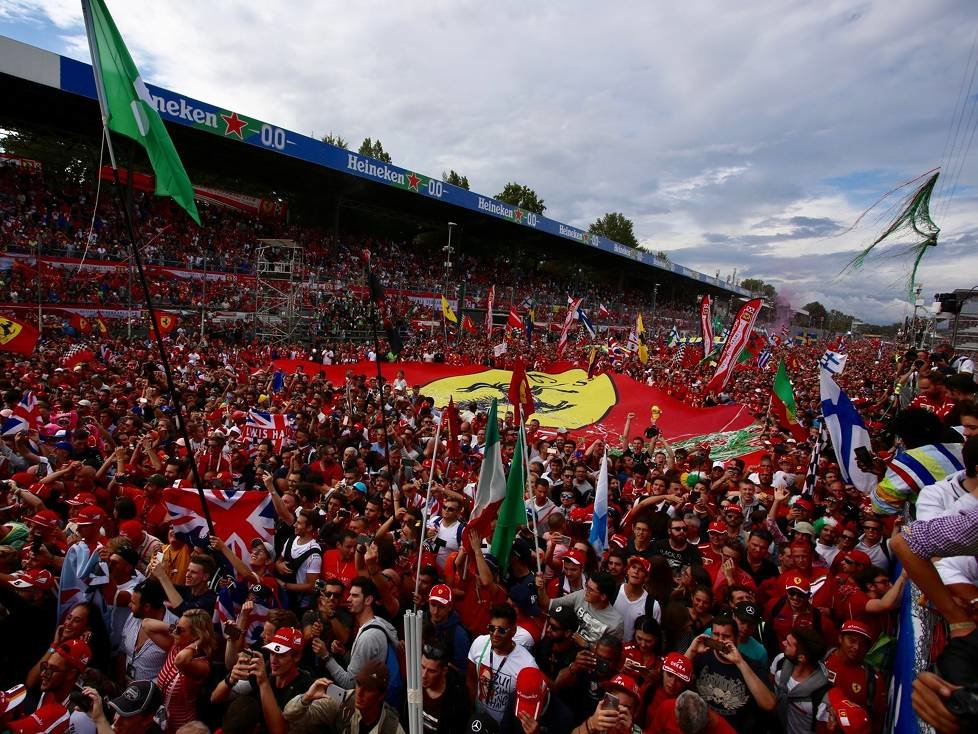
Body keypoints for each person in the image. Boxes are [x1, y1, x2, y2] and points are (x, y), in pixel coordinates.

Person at [213, 626, 314, 734]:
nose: (274, 660)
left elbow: (280, 731)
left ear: (297, 657)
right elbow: (215, 699)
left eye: (281, 655)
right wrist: (230, 679)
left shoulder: (306, 687)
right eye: (272, 653)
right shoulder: (266, 669)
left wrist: (263, 682)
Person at [685, 616, 776, 729]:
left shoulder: (751, 666)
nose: (720, 640)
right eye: (716, 634)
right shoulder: (702, 657)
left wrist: (740, 663)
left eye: (726, 636)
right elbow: (673, 682)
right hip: (704, 728)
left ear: (737, 639)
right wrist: (691, 652)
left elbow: (769, 704)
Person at [319, 577, 400, 698]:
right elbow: (364, 667)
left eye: (355, 596)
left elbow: (349, 684)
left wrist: (326, 656)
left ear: (368, 600)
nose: (348, 599)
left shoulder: (368, 637)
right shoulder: (378, 622)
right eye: (350, 595)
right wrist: (344, 652)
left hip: (371, 701)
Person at [143, 608, 217, 733]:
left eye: (180, 630)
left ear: (195, 636)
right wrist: (176, 628)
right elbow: (146, 624)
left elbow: (180, 661)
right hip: (161, 721)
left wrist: (199, 641)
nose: (175, 632)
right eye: (175, 626)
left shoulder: (202, 664)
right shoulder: (175, 646)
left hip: (182, 726)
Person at [283, 660, 405, 734]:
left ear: (381, 695)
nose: (360, 692)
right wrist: (307, 697)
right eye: (358, 684)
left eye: (368, 689)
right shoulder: (344, 700)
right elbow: (289, 715)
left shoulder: (392, 729)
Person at [466, 603, 539, 724]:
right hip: (478, 719)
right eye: (491, 628)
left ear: (513, 631)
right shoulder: (479, 644)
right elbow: (471, 678)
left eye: (501, 630)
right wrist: (472, 709)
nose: (495, 634)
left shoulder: (527, 665)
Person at [770, 627, 831, 734]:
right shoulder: (780, 660)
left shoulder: (822, 696)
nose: (783, 643)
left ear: (801, 658)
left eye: (789, 644)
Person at [538, 571, 625, 643]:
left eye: (590, 590)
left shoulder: (615, 623)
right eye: (587, 586)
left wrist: (586, 645)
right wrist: (541, 587)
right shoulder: (580, 595)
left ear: (603, 596)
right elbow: (548, 605)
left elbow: (610, 653)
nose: (586, 591)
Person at [411, 643, 470, 734]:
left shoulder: (457, 697)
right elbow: (407, 713)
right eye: (422, 667)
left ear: (444, 671)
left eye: (431, 671)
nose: (423, 675)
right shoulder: (413, 683)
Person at [501, 667, 575, 734]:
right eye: (523, 702)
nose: (527, 713)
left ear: (546, 692)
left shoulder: (563, 717)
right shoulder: (514, 697)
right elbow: (505, 729)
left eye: (532, 704)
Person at [422, 583, 470, 674]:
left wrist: (448, 668)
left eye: (441, 607)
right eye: (433, 605)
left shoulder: (459, 635)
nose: (436, 611)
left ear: (450, 607)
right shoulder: (419, 621)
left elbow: (463, 671)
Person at [614, 556, 658, 641]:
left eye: (641, 570)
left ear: (646, 577)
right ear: (628, 570)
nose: (636, 571)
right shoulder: (613, 591)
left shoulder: (652, 606)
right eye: (633, 567)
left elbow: (652, 636)